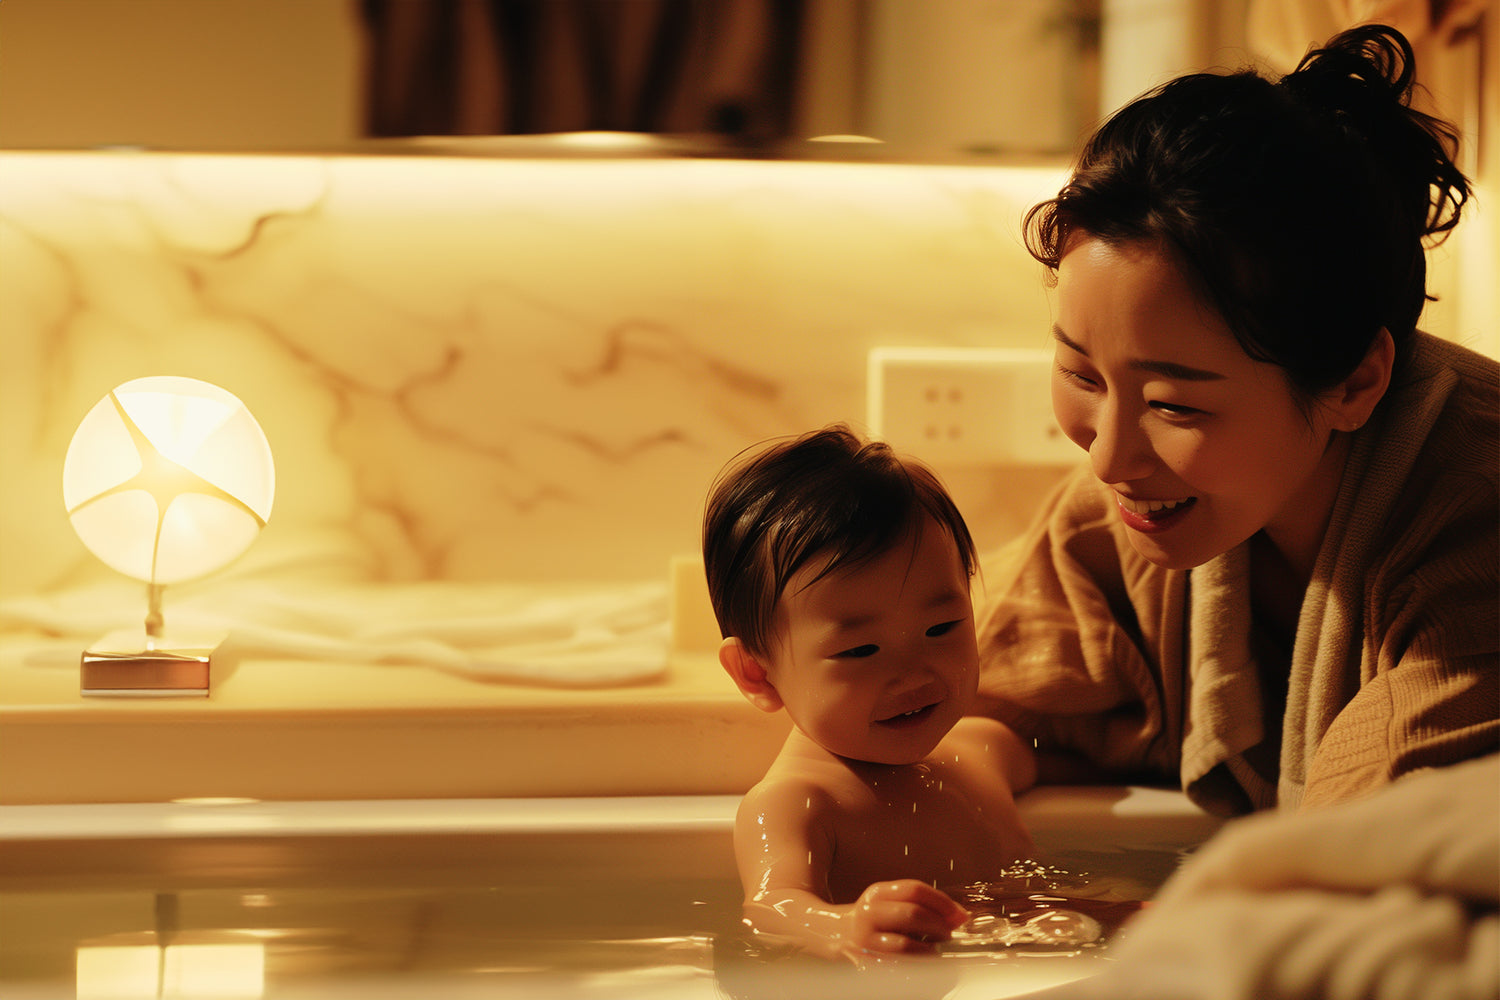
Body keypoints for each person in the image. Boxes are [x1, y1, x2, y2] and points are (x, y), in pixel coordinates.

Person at [977, 23, 1498, 817]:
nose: (1110, 459)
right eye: (1081, 373)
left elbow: (1373, 857)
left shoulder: (1474, 529)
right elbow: (952, 705)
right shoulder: (1123, 527)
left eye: (1172, 405)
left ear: (1355, 383)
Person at [702, 424, 1036, 963]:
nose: (913, 674)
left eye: (942, 627)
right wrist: (843, 927)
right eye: (860, 651)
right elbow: (770, 906)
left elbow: (1074, 760)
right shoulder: (800, 803)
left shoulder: (981, 754)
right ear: (755, 675)